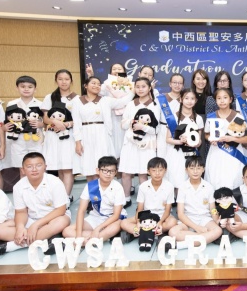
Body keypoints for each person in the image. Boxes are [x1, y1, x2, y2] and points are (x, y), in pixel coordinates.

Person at [0, 152, 72, 257]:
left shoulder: (55, 182)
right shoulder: (18, 186)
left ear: (45, 167)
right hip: (31, 218)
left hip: (54, 218)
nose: (34, 169)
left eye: (38, 165)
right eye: (29, 166)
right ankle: (44, 237)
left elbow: (60, 210)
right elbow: (21, 212)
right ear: (23, 170)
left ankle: (10, 246)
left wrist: (36, 225)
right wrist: (20, 228)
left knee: (61, 222)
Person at [73, 76, 133, 181]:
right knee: (88, 168)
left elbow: (122, 102)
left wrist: (133, 91)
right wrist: (78, 142)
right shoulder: (77, 101)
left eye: (98, 84)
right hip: (85, 135)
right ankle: (93, 191)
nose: (96, 86)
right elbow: (76, 123)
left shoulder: (105, 100)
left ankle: (105, 190)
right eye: (93, 83)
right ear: (85, 86)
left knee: (103, 166)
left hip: (102, 135)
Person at [63, 156, 126, 243]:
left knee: (114, 228)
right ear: (97, 170)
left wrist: (98, 228)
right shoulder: (90, 186)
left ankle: (91, 239)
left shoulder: (118, 187)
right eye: (105, 170)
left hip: (113, 219)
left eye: (112, 171)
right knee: (67, 231)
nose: (108, 174)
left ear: (115, 172)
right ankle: (100, 238)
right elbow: (81, 211)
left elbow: (116, 215)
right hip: (96, 217)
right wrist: (78, 236)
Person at [119, 77, 162, 206]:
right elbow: (123, 124)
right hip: (130, 143)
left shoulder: (155, 105)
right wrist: (133, 122)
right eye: (137, 86)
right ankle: (126, 198)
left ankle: (144, 200)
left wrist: (143, 127)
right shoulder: (131, 104)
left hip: (146, 144)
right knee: (126, 172)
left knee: (143, 173)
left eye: (143, 86)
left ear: (149, 88)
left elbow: (156, 129)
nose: (140, 89)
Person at [169, 156, 222, 249]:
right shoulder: (182, 187)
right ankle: (205, 238)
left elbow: (213, 209)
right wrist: (197, 228)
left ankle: (181, 245)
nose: (195, 171)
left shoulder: (209, 187)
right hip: (188, 219)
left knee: (218, 230)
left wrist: (216, 219)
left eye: (198, 168)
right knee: (172, 232)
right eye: (192, 168)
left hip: (205, 219)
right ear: (186, 170)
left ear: (203, 169)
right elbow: (180, 214)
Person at [120, 157, 178, 243]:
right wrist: (138, 222)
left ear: (165, 170)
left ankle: (142, 233)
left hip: (162, 215)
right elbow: (140, 208)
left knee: (172, 222)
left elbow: (168, 210)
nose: (157, 173)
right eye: (154, 170)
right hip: (146, 215)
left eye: (160, 170)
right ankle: (155, 233)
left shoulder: (169, 186)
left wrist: (160, 222)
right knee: (123, 223)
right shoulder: (143, 186)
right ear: (148, 171)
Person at [42, 69, 79, 201]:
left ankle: (66, 199)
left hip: (68, 136)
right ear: (56, 81)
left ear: (71, 81)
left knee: (67, 168)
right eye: (60, 79)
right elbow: (45, 118)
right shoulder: (50, 97)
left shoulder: (77, 98)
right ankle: (61, 197)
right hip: (53, 136)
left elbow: (79, 119)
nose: (64, 82)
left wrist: (67, 124)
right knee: (59, 168)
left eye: (66, 79)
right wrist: (55, 122)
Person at [205, 88, 247, 189]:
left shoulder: (238, 117)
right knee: (215, 179)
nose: (222, 101)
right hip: (216, 153)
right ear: (215, 100)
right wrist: (210, 139)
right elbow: (206, 134)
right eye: (219, 98)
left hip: (234, 154)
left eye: (225, 98)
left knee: (233, 179)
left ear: (230, 99)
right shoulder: (211, 116)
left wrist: (233, 139)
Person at [4, 76, 43, 177]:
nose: (26, 89)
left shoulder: (41, 104)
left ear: (35, 89)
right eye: (23, 86)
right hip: (18, 140)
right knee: (23, 170)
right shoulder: (12, 104)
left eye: (30, 87)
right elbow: (7, 120)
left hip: (36, 140)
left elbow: (47, 122)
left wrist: (41, 124)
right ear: (17, 88)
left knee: (39, 169)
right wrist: (6, 127)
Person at [165, 88, 204, 188]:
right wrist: (180, 141)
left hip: (191, 154)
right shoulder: (173, 117)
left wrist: (195, 143)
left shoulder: (198, 118)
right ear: (181, 99)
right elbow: (168, 139)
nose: (189, 101)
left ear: (196, 101)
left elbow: (199, 141)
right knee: (176, 180)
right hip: (176, 153)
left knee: (190, 181)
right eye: (186, 98)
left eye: (192, 98)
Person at [156, 73, 184, 159]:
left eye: (180, 83)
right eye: (174, 82)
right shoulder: (161, 98)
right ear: (170, 84)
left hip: (179, 132)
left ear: (183, 85)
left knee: (176, 158)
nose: (177, 85)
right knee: (162, 157)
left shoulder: (185, 99)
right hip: (162, 131)